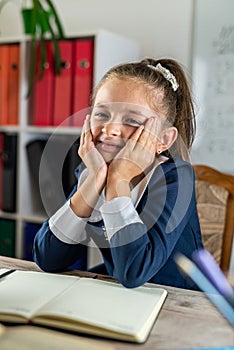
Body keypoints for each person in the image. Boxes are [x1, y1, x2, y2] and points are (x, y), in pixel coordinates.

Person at [33, 57, 203, 289]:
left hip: (177, 300)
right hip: (123, 293)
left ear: (163, 140)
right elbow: (47, 258)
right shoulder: (91, 170)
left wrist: (118, 181)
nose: (110, 129)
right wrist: (94, 180)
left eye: (132, 120)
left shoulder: (176, 177)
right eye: (101, 114)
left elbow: (134, 271)